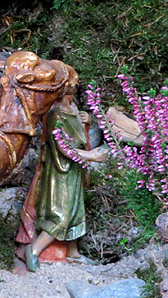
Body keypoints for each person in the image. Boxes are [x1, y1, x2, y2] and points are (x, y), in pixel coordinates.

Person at [16, 67, 107, 271]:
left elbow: (78, 136)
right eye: (72, 83)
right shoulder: (55, 114)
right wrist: (91, 156)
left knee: (76, 211)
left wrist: (87, 121)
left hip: (75, 170)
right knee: (61, 214)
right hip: (60, 172)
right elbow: (62, 148)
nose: (76, 85)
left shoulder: (72, 108)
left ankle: (73, 252)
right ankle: (34, 250)